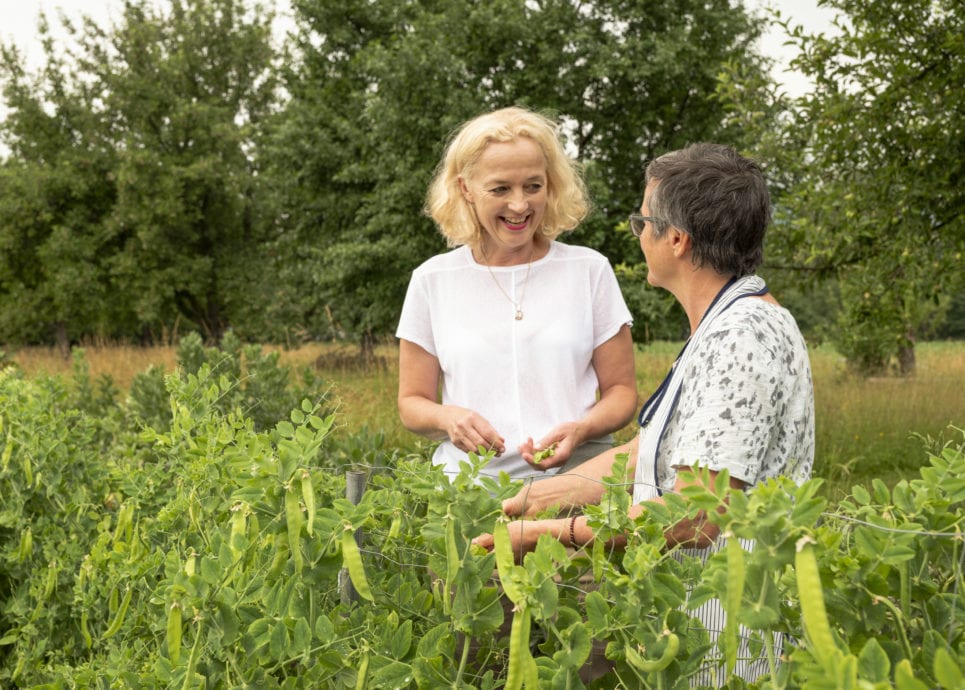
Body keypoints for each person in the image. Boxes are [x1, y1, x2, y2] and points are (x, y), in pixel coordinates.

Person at [474, 142, 815, 683]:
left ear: (676, 239)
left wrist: (542, 535)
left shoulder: (743, 336)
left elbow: (696, 514)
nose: (639, 233)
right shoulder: (723, 324)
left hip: (729, 642)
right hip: (693, 623)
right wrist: (539, 496)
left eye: (643, 220)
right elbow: (657, 450)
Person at [396, 106, 638, 483]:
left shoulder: (589, 270)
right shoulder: (432, 280)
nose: (520, 205)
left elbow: (622, 392)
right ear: (466, 189)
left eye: (533, 186)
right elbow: (412, 402)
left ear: (551, 184)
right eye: (500, 189)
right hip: (469, 493)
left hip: (577, 484)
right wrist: (449, 418)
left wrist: (581, 429)